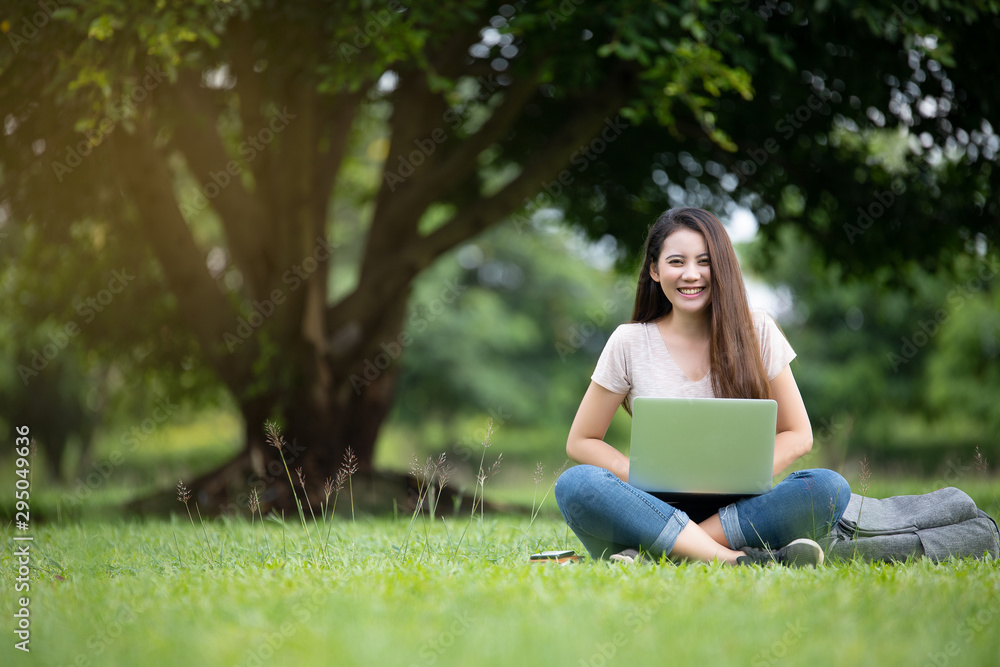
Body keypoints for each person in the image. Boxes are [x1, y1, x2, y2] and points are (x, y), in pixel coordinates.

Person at [554, 207, 851, 567]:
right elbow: (581, 441)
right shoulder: (629, 342)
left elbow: (799, 434)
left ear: (722, 266)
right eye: (676, 261)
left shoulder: (758, 330)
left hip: (737, 508)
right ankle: (734, 560)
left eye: (704, 261)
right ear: (654, 269)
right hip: (649, 505)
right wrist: (643, 474)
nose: (691, 275)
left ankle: (662, 551)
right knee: (577, 484)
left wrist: (740, 474)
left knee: (828, 487)